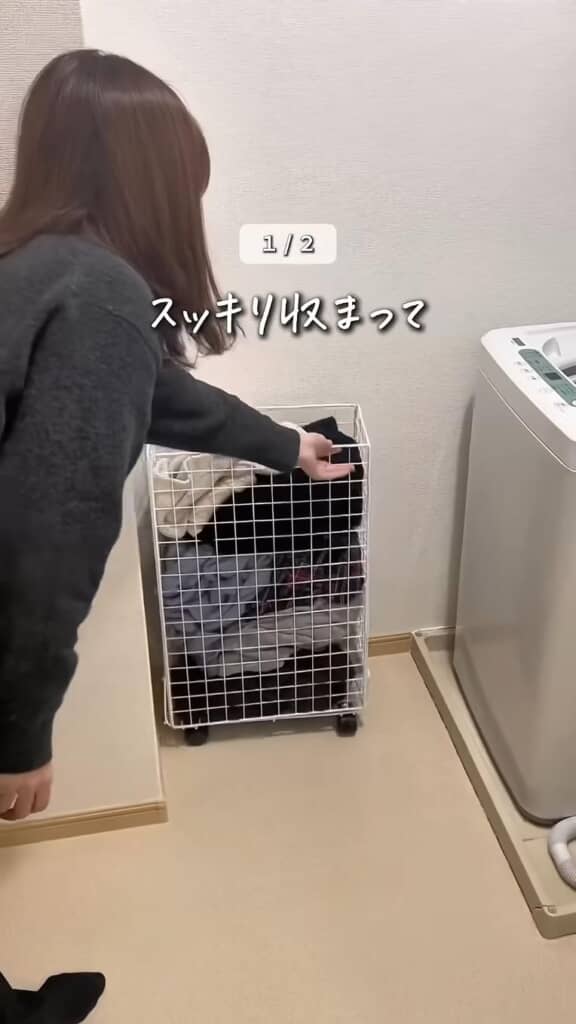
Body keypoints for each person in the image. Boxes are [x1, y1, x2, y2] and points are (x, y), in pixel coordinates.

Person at [0, 50, 352, 823]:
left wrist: (286, 445)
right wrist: (20, 731)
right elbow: (54, 534)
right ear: (150, 185)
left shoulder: (35, 264)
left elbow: (160, 392)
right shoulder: (98, 295)